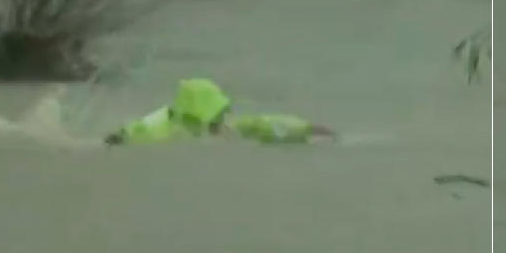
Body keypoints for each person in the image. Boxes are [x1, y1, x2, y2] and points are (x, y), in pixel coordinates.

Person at [103, 78, 336, 146]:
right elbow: (129, 133)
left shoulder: (231, 128)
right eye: (217, 112)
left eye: (222, 112)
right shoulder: (160, 129)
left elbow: (265, 124)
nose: (223, 117)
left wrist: (307, 128)